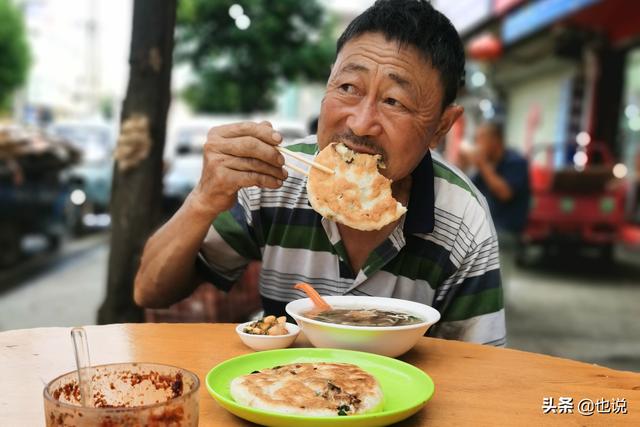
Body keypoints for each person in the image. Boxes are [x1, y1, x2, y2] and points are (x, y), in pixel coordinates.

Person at [134, 0, 505, 346]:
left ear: (441, 127)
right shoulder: (275, 177)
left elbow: (482, 369)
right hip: (280, 396)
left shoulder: (463, 219)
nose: (360, 124)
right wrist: (203, 199)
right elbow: (151, 292)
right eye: (347, 88)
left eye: (394, 101)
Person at [471, 121, 530, 278]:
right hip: (484, 230)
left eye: (481, 139)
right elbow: (469, 192)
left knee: (496, 281)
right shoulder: (487, 165)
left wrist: (483, 165)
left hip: (505, 232)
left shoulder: (515, 162)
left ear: (495, 140)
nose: (477, 144)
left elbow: (505, 193)